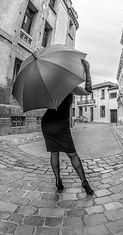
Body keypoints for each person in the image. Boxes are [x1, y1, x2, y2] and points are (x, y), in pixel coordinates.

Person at [41, 59, 94, 195]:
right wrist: (87, 69)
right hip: (60, 124)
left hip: (48, 122)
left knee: (54, 153)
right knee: (72, 154)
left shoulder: (48, 86)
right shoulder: (69, 87)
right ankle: (85, 183)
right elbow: (88, 90)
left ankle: (58, 181)